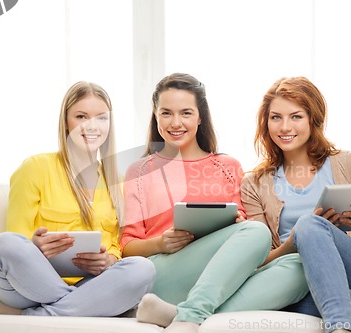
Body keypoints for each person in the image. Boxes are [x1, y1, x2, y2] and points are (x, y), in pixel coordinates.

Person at [121, 73, 308, 333]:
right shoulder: (140, 171)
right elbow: (126, 246)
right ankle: (190, 315)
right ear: (155, 115)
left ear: (200, 117)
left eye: (186, 113)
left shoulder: (228, 167)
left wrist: (237, 226)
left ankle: (181, 312)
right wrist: (160, 243)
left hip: (218, 276)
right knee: (257, 231)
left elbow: (247, 236)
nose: (176, 122)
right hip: (165, 271)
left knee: (300, 268)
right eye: (166, 113)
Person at [0, 81, 155, 317]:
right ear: (66, 122)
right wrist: (35, 247)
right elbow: (16, 238)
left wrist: (108, 261)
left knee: (143, 268)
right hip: (27, 286)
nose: (92, 126)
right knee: (4, 243)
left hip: (88, 284)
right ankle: (81, 309)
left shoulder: (117, 182)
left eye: (101, 118)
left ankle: (37, 315)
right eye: (81, 116)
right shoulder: (35, 167)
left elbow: (114, 243)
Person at [241, 76, 351, 333]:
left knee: (311, 224)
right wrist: (294, 241)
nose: (285, 126)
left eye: (296, 116)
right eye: (275, 117)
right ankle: (341, 326)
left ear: (314, 118)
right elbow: (259, 262)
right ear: (266, 123)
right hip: (299, 285)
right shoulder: (254, 183)